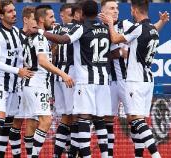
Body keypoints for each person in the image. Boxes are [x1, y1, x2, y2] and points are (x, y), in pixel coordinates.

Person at [30, 1, 113, 157]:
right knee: (96, 119)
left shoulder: (73, 29)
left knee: (77, 119)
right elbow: (115, 49)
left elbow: (63, 41)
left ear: (80, 13)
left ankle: (72, 154)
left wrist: (41, 32)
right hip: (99, 80)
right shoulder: (106, 29)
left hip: (76, 79)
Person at [99, 1, 169, 158]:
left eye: (117, 8)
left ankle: (151, 154)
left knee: (135, 119)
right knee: (111, 118)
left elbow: (140, 32)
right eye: (112, 8)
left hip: (130, 80)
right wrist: (115, 53)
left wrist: (120, 51)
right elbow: (148, 31)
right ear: (102, 11)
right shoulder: (97, 28)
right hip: (112, 81)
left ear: (134, 10)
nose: (116, 11)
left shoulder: (128, 24)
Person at [23, 4, 74, 158]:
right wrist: (63, 74)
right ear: (41, 19)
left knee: (32, 122)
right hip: (37, 84)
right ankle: (34, 156)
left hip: (30, 84)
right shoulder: (40, 37)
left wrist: (53, 49)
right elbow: (43, 62)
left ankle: (30, 154)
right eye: (51, 17)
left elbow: (41, 57)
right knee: (46, 121)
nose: (54, 20)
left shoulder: (35, 36)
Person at [0, 0, 33, 157]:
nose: (14, 14)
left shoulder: (16, 33)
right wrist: (18, 70)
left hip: (14, 85)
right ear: (1, 16)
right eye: (10, 11)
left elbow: (21, 58)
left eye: (14, 10)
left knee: (7, 125)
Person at [53, 3, 82, 158]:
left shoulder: (56, 30)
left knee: (65, 116)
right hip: (70, 75)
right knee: (75, 116)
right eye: (71, 14)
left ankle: (58, 153)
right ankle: (73, 154)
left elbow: (52, 52)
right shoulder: (78, 29)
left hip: (57, 75)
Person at [8, 6, 38, 158]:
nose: (37, 23)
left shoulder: (39, 36)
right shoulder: (15, 36)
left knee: (33, 121)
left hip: (34, 85)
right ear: (25, 19)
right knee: (16, 123)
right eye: (34, 19)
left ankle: (31, 155)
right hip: (18, 86)